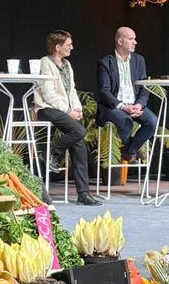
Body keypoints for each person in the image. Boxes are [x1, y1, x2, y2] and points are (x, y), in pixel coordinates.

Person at [33, 30, 101, 207]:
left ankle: (83, 193)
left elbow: (72, 90)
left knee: (79, 143)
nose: (71, 47)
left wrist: (77, 108)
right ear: (57, 47)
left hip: (65, 110)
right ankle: (50, 154)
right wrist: (67, 110)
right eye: (68, 45)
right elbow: (48, 94)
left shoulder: (67, 64)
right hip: (47, 108)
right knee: (79, 131)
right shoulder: (45, 62)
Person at [96, 26, 157, 162]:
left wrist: (139, 105)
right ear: (120, 41)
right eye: (131, 39)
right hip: (114, 105)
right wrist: (123, 107)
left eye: (135, 39)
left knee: (152, 122)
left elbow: (144, 86)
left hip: (135, 104)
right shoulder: (105, 62)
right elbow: (104, 91)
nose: (135, 42)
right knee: (126, 122)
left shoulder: (139, 60)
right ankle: (133, 150)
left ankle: (129, 150)